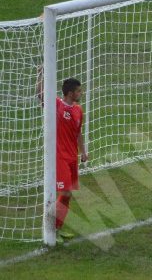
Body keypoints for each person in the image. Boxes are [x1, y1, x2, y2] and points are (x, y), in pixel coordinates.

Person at [38, 75, 88, 244]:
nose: (81, 93)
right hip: (59, 157)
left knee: (68, 196)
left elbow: (78, 133)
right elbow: (41, 94)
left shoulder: (78, 110)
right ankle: (49, 227)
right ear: (70, 93)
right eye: (78, 91)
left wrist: (83, 151)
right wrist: (41, 76)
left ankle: (57, 228)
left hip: (72, 157)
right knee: (64, 192)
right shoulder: (57, 105)